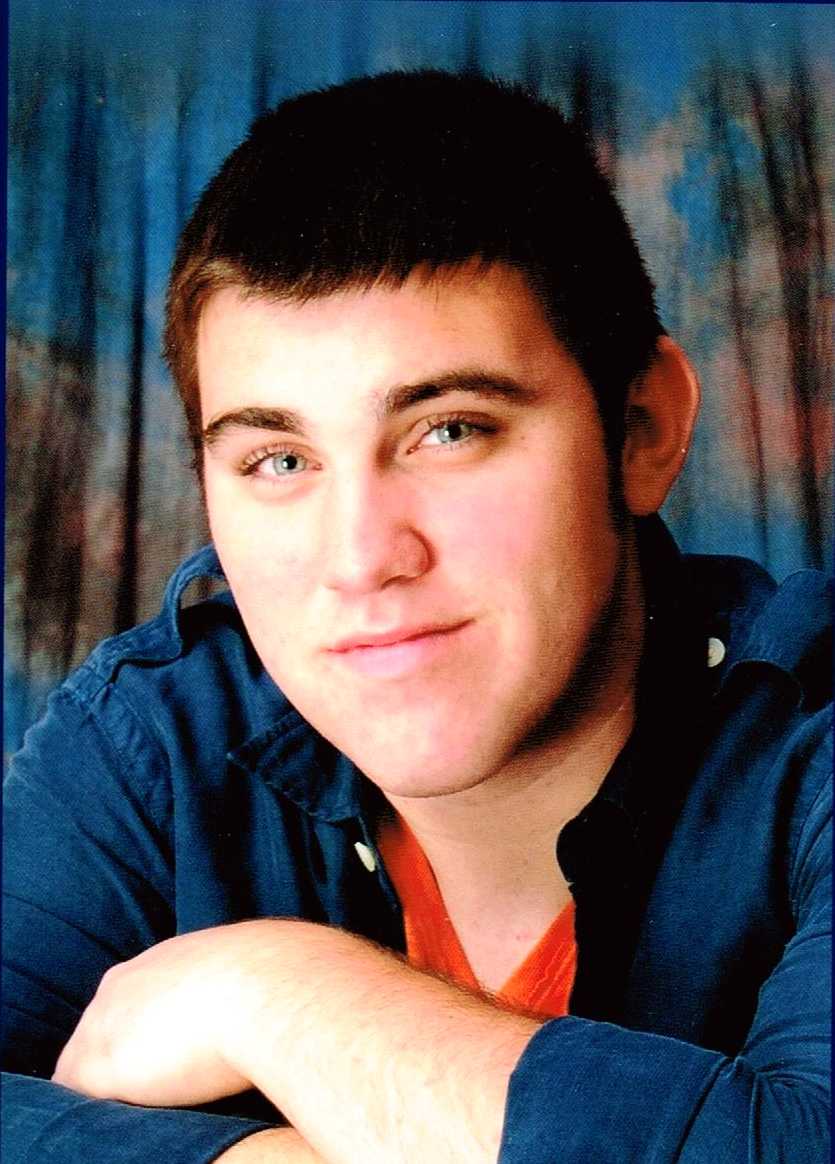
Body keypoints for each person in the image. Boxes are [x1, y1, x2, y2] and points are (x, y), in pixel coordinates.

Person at [2, 70, 830, 1164]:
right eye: (278, 459)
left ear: (641, 428)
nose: (361, 560)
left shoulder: (813, 740)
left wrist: (276, 994)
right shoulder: (153, 740)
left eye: (450, 431)